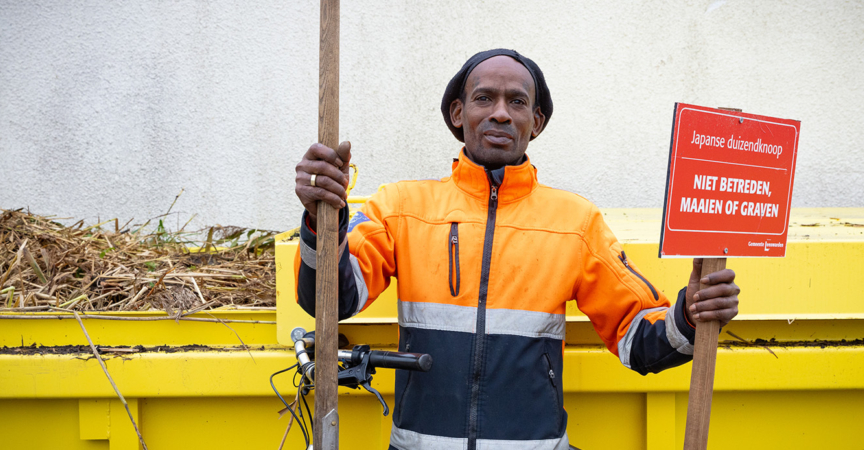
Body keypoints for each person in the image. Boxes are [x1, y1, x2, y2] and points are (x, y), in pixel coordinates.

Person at [293, 49, 739, 450]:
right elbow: (329, 301)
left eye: (518, 102)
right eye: (484, 98)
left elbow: (640, 340)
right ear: (458, 113)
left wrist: (689, 314)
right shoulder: (401, 208)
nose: (501, 113)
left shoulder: (575, 222)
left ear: (536, 122)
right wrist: (320, 223)